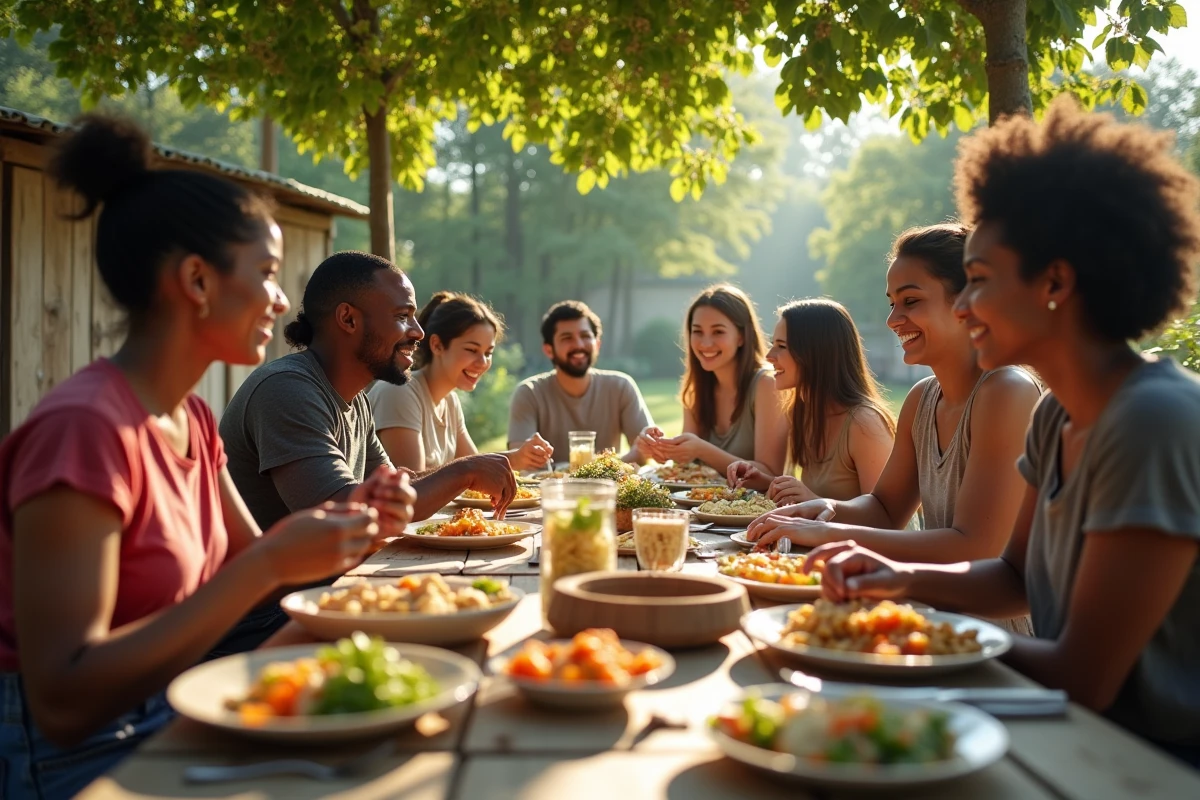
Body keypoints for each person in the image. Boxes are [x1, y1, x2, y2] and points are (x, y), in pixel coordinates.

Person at [0, 115, 391, 799]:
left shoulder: (193, 417)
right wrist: (275, 561)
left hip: (170, 712)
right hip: (77, 759)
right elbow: (62, 701)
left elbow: (260, 575)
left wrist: (358, 526)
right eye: (266, 273)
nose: (279, 298)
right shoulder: (85, 430)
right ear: (197, 281)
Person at [806, 98, 1200, 766]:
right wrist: (893, 576)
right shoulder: (1056, 415)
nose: (961, 305)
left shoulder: (1152, 421)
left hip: (1144, 763)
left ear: (1055, 282)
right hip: (1066, 730)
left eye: (978, 282)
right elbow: (1013, 576)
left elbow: (1085, 674)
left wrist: (904, 627)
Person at [746, 225, 1042, 633]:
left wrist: (826, 533)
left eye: (911, 301)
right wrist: (829, 508)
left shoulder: (1007, 391)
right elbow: (885, 509)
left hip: (993, 638)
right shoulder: (922, 398)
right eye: (892, 303)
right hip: (926, 621)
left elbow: (975, 546)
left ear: (970, 303)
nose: (892, 319)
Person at [217, 252, 517, 653]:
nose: (417, 331)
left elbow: (394, 488)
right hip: (267, 619)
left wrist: (469, 470)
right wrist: (463, 472)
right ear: (348, 319)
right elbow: (345, 509)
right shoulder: (286, 389)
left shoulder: (353, 398)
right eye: (402, 316)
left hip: (328, 593)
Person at [727, 298, 895, 505]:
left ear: (814, 353)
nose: (769, 356)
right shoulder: (805, 413)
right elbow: (816, 497)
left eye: (781, 346)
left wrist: (813, 501)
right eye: (773, 344)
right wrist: (765, 482)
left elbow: (884, 520)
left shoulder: (865, 424)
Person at [369, 292, 552, 472]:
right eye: (472, 350)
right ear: (437, 345)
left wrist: (519, 457)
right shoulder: (399, 392)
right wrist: (510, 459)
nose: (482, 363)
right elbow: (411, 484)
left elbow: (475, 468)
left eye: (488, 353)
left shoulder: (450, 402)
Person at [638, 284, 788, 476]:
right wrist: (660, 448)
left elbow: (771, 474)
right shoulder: (695, 389)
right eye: (698, 331)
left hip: (761, 505)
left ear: (741, 336)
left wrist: (702, 450)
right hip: (702, 504)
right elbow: (687, 468)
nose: (706, 343)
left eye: (718, 332)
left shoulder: (767, 385)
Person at [507, 300, 653, 462]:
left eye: (585, 336)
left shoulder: (621, 386)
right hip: (548, 486)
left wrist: (606, 470)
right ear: (549, 350)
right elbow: (519, 459)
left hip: (610, 486)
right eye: (567, 338)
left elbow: (644, 450)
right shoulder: (529, 393)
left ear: (597, 344)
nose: (578, 345)